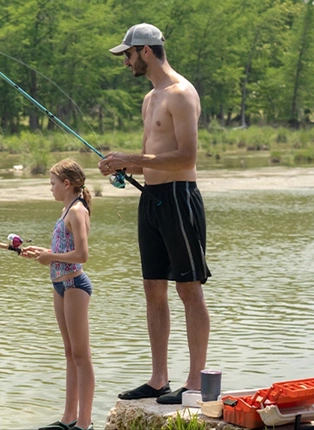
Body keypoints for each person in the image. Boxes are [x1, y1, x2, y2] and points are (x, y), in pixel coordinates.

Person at [99, 22, 211, 405]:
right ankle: (159, 378)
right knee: (153, 288)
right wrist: (123, 166)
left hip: (180, 198)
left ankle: (195, 381)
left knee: (189, 288)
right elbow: (154, 157)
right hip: (152, 199)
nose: (125, 62)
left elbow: (187, 158)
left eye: (127, 54)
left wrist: (131, 159)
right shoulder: (150, 98)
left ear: (145, 51)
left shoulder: (181, 94)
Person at [21, 159, 95, 430]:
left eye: (52, 183)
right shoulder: (66, 209)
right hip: (59, 285)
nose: (49, 188)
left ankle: (84, 423)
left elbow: (82, 256)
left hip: (75, 286)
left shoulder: (77, 211)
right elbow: (65, 248)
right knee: (69, 353)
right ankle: (68, 418)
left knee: (81, 355)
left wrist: (50, 256)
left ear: (67, 184)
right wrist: (44, 252)